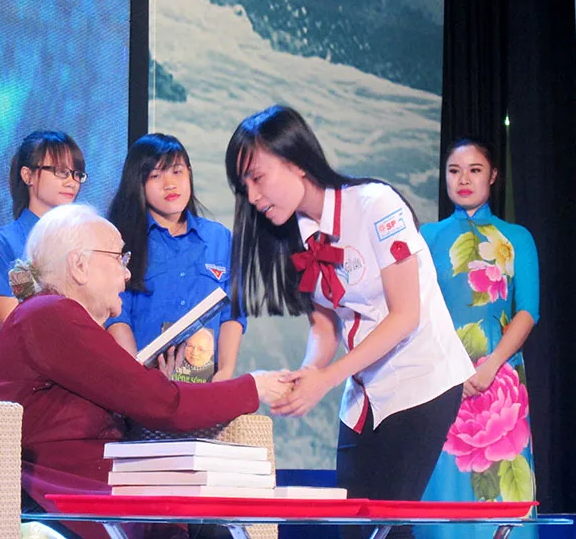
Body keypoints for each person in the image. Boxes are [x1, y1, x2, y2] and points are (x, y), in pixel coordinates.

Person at [225, 105, 474, 538]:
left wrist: (327, 379)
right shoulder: (293, 232)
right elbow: (324, 326)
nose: (252, 196)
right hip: (364, 394)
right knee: (354, 528)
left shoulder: (376, 204)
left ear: (296, 162)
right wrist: (309, 373)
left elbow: (405, 316)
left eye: (257, 178)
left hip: (422, 381)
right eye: (243, 185)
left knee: (388, 528)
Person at [0, 204, 287, 539]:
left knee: (213, 527)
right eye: (119, 258)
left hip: (99, 492)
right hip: (59, 500)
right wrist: (255, 386)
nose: (127, 274)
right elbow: (164, 405)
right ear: (79, 265)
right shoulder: (50, 314)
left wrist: (149, 380)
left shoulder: (51, 314)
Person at [418, 138, 539, 538]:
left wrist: (490, 367)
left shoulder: (516, 237)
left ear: (493, 175)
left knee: (503, 491)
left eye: (474, 170)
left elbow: (528, 312)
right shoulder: (426, 237)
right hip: (440, 378)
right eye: (454, 171)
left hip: (501, 376)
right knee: (441, 494)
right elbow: (417, 313)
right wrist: (451, 369)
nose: (464, 179)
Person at [106, 134, 245, 381]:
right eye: (156, 176)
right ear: (138, 183)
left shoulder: (219, 238)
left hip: (206, 385)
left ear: (189, 173)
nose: (170, 184)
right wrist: (137, 379)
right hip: (144, 383)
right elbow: (117, 315)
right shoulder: (119, 242)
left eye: (177, 172)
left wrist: (225, 372)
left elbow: (232, 313)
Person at [0, 130, 85, 326]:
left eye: (77, 174)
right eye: (61, 172)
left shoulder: (84, 241)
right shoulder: (5, 242)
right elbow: (11, 320)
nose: (71, 182)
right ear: (28, 175)